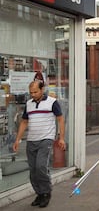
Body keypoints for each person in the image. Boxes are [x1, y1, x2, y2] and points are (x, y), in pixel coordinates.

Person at [12, 80, 66, 208]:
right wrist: (17, 140)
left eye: (35, 92)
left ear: (42, 90)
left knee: (41, 166)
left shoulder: (52, 102)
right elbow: (24, 122)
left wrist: (61, 138)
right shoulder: (29, 104)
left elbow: (60, 119)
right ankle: (39, 194)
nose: (33, 95)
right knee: (33, 170)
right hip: (31, 140)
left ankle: (46, 192)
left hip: (46, 139)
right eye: (31, 92)